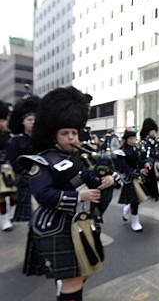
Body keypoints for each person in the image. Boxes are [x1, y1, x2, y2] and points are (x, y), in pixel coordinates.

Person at [21, 86, 119, 301]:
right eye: (65, 133)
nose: (72, 137)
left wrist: (108, 180)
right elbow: (42, 194)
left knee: (84, 272)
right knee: (73, 279)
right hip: (59, 227)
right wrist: (78, 198)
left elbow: (92, 180)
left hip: (84, 223)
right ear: (53, 135)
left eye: (74, 132)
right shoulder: (43, 161)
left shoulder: (83, 158)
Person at [5, 95, 41, 223]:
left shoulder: (43, 140)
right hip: (23, 178)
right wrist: (26, 173)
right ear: (23, 121)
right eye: (29, 119)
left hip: (41, 176)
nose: (32, 122)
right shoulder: (15, 141)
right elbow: (14, 161)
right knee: (26, 215)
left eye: (34, 119)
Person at [115, 130, 150, 232]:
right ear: (126, 140)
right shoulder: (122, 152)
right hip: (129, 179)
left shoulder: (137, 149)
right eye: (131, 139)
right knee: (135, 200)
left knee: (137, 199)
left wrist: (146, 163)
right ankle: (135, 222)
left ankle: (127, 208)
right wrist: (138, 171)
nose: (133, 140)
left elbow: (142, 160)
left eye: (134, 138)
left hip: (138, 177)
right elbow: (123, 168)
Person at [139, 118, 159, 201]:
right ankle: (153, 195)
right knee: (149, 180)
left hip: (156, 163)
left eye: (155, 131)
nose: (154, 133)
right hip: (148, 163)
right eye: (152, 131)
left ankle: (153, 194)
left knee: (152, 180)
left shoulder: (157, 140)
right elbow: (144, 153)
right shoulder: (144, 142)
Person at [0, 101, 16, 231]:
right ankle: (4, 218)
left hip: (8, 168)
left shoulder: (9, 136)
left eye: (3, 120)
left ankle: (9, 213)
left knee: (14, 195)